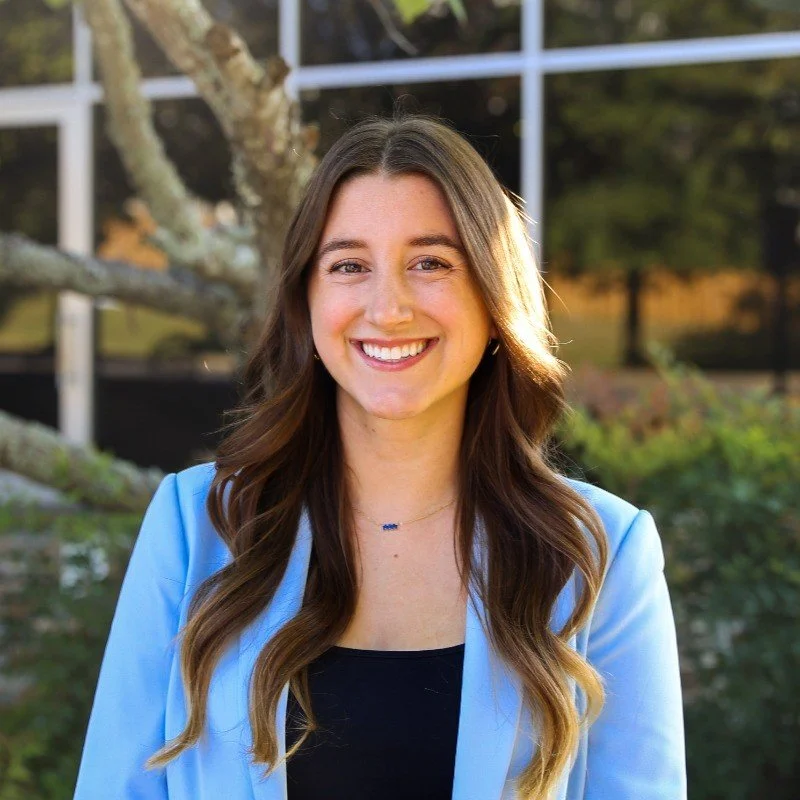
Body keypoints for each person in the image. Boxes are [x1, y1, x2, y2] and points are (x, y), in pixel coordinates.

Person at [73, 115, 686, 800]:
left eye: (430, 263)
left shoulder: (600, 554)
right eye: (349, 266)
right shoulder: (196, 527)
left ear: (492, 295)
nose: (387, 308)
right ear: (308, 299)